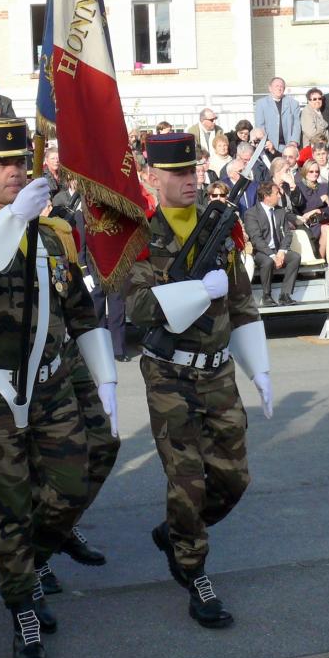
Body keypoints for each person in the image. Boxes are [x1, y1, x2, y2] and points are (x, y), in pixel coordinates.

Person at [0, 118, 115, 658]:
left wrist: (104, 377)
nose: (13, 172)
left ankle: (29, 564)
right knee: (8, 507)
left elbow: (81, 311)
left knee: (71, 482)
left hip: (55, 383)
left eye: (19, 162)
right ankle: (22, 611)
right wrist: (14, 217)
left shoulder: (55, 230)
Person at [126, 131, 272, 629]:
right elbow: (139, 308)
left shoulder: (221, 228)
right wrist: (191, 291)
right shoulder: (142, 239)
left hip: (219, 373)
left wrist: (262, 370)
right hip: (169, 373)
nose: (190, 180)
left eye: (193, 171)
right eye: (178, 173)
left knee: (234, 477)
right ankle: (194, 569)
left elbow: (241, 303)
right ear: (153, 178)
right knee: (187, 481)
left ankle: (177, 531)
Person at [243, 182, 300, 306]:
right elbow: (256, 239)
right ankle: (266, 295)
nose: (279, 196)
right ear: (266, 196)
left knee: (295, 257)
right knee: (267, 261)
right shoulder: (251, 213)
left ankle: (285, 295)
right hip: (261, 251)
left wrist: (281, 251)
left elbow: (287, 233)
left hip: (278, 250)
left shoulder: (280, 211)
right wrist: (273, 256)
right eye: (276, 193)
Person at [291, 159, 329, 260]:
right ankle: (321, 263)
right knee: (325, 229)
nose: (315, 174)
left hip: (324, 218)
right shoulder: (299, 187)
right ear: (305, 171)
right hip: (308, 223)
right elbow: (303, 208)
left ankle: (325, 262)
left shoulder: (324, 187)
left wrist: (318, 211)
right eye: (311, 171)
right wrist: (321, 200)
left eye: (317, 171)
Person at [253, 76, 301, 149]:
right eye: (276, 86)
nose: (279, 88)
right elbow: (260, 125)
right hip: (269, 145)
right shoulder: (261, 103)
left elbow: (296, 124)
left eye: (281, 86)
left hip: (289, 145)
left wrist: (294, 141)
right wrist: (266, 141)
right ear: (270, 88)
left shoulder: (293, 104)